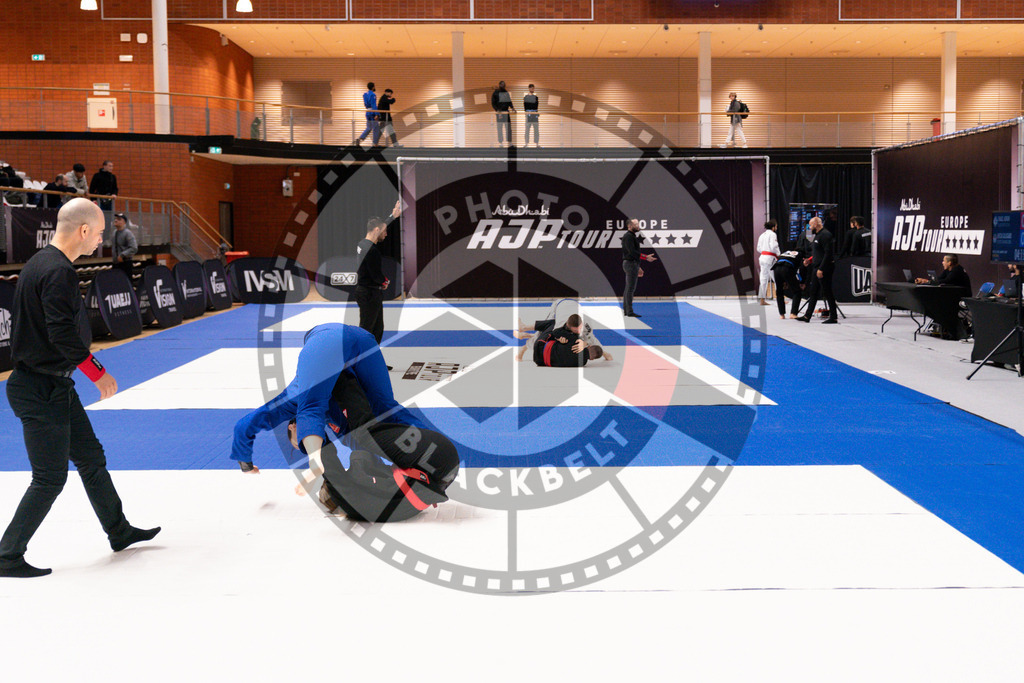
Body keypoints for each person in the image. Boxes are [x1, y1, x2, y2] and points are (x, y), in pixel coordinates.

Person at [0, 198, 159, 579]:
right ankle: (7, 554)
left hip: (53, 385)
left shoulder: (41, 262)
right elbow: (61, 333)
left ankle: (118, 531)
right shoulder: (57, 272)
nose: (102, 240)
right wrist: (96, 370)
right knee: (50, 477)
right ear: (84, 231)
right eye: (100, 233)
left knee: (91, 457)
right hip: (39, 388)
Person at [231, 323, 459, 523]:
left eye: (297, 441)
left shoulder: (294, 398)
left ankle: (313, 460)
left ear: (292, 426)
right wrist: (426, 465)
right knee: (385, 408)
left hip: (323, 338)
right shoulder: (342, 430)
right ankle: (435, 450)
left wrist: (245, 462)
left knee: (311, 406)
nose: (305, 441)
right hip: (363, 340)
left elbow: (248, 425)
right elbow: (382, 434)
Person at [355, 200, 401, 351]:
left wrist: (392, 216)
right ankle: (360, 362)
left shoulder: (362, 244)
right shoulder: (372, 250)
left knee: (377, 329)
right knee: (368, 329)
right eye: (384, 231)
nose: (386, 234)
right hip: (369, 292)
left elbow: (371, 273)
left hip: (367, 291)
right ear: (376, 230)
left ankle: (372, 360)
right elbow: (375, 275)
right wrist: (384, 281)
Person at [514, 301, 612, 363]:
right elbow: (548, 335)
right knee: (544, 334)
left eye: (579, 329)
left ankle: (525, 329)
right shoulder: (560, 324)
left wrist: (588, 345)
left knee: (585, 337)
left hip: (573, 304)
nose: (577, 332)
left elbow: (591, 338)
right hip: (558, 305)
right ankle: (524, 345)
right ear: (568, 326)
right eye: (575, 330)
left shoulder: (586, 324)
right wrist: (559, 338)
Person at [797, 216, 838, 324]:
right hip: (817, 267)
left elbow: (828, 254)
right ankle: (807, 316)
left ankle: (833, 316)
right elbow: (818, 253)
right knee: (813, 292)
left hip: (824, 268)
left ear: (816, 224)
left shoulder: (825, 235)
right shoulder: (817, 236)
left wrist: (821, 269)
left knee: (827, 292)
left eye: (811, 225)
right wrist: (809, 260)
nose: (810, 227)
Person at [621, 218, 658, 318]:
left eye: (638, 224)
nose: (638, 226)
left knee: (628, 288)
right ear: (629, 226)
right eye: (635, 224)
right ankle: (629, 311)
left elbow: (633, 254)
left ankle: (627, 310)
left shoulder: (631, 236)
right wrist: (646, 257)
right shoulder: (628, 236)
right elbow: (632, 252)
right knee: (630, 289)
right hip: (630, 264)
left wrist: (638, 266)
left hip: (632, 264)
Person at [771, 250, 806, 320]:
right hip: (787, 268)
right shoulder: (800, 255)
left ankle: (782, 314)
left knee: (779, 292)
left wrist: (785, 281)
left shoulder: (786, 252)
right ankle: (793, 313)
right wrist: (802, 282)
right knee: (797, 291)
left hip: (776, 268)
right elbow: (800, 270)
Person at [756, 219, 780, 306]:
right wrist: (779, 254)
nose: (776, 228)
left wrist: (765, 251)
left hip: (762, 257)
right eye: (776, 226)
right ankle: (779, 299)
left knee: (763, 279)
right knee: (777, 278)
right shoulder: (773, 234)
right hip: (770, 258)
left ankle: (762, 300)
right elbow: (774, 246)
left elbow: (758, 248)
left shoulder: (762, 235)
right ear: (773, 227)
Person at [111, 212, 138, 281]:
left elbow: (134, 248)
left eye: (119, 219)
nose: (116, 220)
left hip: (125, 263)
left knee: (127, 282)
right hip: (116, 263)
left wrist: (122, 255)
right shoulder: (114, 233)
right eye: (116, 219)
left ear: (124, 222)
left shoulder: (128, 233)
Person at [355, 82, 381, 147]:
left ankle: (360, 138)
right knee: (376, 128)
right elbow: (373, 104)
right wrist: (376, 114)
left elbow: (365, 104)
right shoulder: (373, 95)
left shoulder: (365, 94)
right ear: (373, 87)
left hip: (367, 111)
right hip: (372, 111)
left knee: (369, 127)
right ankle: (375, 143)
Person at [491, 81, 515, 146]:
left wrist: (512, 108)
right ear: (499, 85)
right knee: (500, 127)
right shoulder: (495, 93)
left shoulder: (506, 93)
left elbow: (509, 101)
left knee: (508, 128)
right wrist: (497, 109)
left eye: (504, 85)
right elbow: (493, 103)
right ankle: (501, 143)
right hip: (499, 113)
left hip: (506, 112)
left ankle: (509, 142)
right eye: (501, 85)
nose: (503, 86)